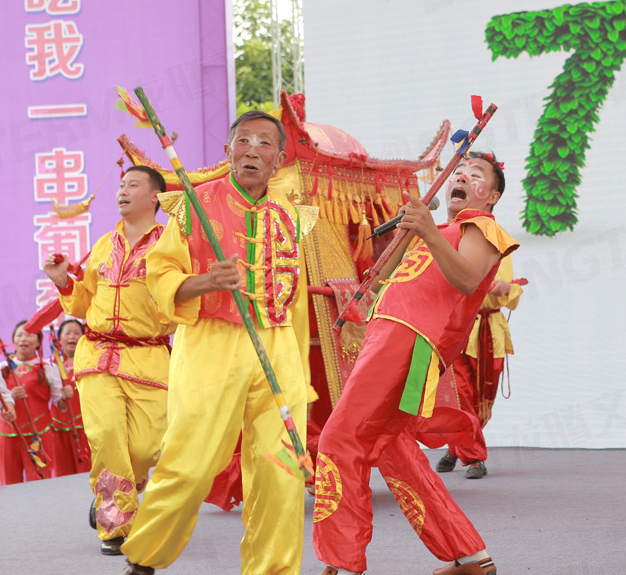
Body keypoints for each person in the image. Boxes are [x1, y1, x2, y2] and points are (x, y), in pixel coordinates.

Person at [121, 110, 313, 575]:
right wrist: (204, 282)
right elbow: (159, 274)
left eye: (264, 143)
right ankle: (144, 559)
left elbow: (298, 301)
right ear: (227, 151)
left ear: (279, 159)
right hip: (210, 344)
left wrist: (300, 374)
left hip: (278, 349)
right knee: (189, 465)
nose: (252, 149)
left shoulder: (291, 216)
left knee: (282, 472)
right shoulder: (193, 204)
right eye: (242, 140)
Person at [313, 152, 518, 575]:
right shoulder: (442, 230)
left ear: (493, 195)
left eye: (476, 175)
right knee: (392, 449)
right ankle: (472, 557)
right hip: (393, 334)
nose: (462, 177)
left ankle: (342, 561)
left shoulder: (482, 227)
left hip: (407, 339)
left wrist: (426, 229)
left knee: (339, 438)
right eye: (459, 172)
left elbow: (466, 280)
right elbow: (407, 283)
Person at [45, 165, 175, 556]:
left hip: (149, 356)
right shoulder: (103, 244)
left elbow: (183, 298)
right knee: (106, 439)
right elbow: (83, 303)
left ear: (154, 196)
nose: (122, 191)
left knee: (146, 448)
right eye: (120, 185)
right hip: (97, 354)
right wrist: (63, 279)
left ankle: (114, 493)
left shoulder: (173, 243)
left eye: (132, 185)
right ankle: (115, 525)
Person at [431, 254, 522, 480]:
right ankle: (474, 458)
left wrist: (508, 288)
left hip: (491, 331)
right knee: (460, 396)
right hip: (458, 330)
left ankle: (455, 448)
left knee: (483, 402)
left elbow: (511, 291)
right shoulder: (452, 245)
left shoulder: (502, 249)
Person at [0, 321, 66, 485]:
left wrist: (66, 397)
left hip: (38, 434)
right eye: (19, 335)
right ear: (13, 340)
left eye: (30, 335)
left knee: (41, 483)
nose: (23, 339)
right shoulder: (1, 368)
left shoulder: (48, 367)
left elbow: (60, 404)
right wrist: (9, 396)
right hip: (9, 434)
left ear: (39, 341)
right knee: (9, 485)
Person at [49, 319, 91, 477]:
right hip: (59, 427)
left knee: (88, 474)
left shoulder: (91, 361)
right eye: (67, 333)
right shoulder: (50, 365)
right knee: (62, 476)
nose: (71, 336)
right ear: (59, 339)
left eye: (76, 333)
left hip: (87, 426)